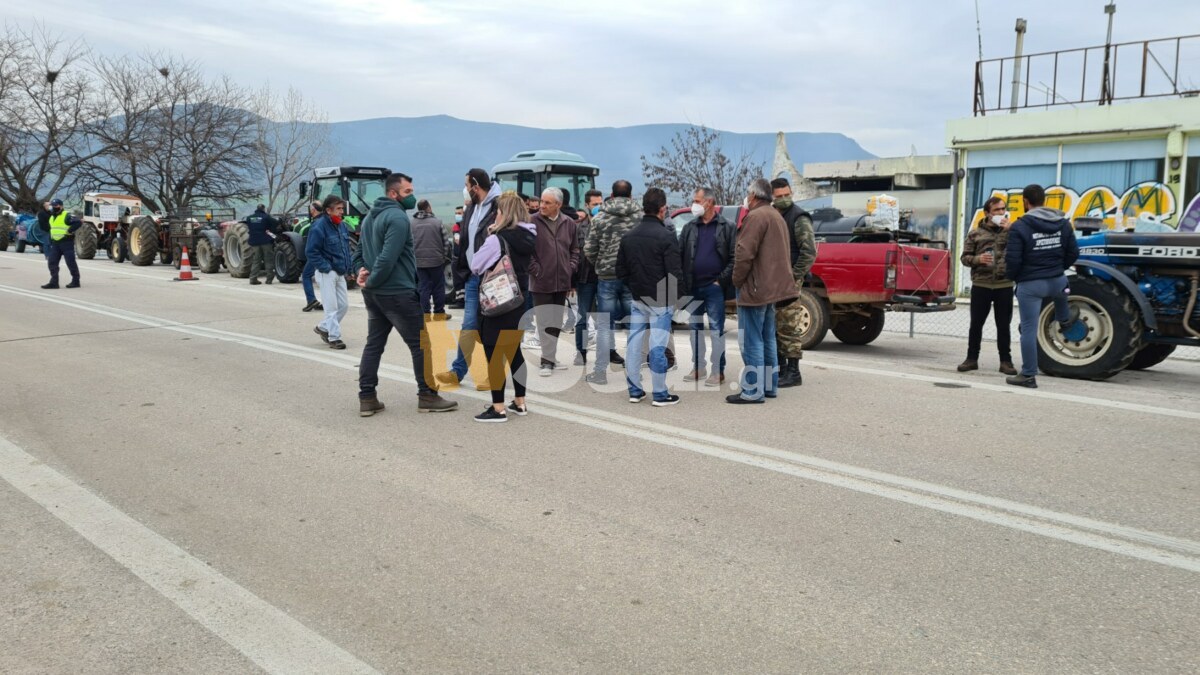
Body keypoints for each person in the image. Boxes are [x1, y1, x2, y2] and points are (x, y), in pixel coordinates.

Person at [354, 173, 457, 415]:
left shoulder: (370, 217)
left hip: (375, 295)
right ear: (393, 194)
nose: (412, 196)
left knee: (374, 344)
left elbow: (359, 253)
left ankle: (367, 397)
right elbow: (387, 258)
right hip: (397, 292)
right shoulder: (398, 218)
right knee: (421, 344)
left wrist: (361, 273)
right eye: (407, 192)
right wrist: (372, 280)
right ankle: (427, 395)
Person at [729, 179, 800, 404]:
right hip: (771, 288)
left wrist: (737, 281)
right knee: (768, 338)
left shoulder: (756, 217)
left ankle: (752, 391)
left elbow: (744, 254)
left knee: (751, 341)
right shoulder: (776, 215)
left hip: (755, 288)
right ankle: (769, 386)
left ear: (753, 195)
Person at [468, 192, 537, 422]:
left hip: (498, 300)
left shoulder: (496, 240)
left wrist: (491, 235)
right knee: (514, 351)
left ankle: (498, 408)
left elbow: (476, 265)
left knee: (493, 353)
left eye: (497, 211)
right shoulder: (530, 236)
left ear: (504, 214)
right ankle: (520, 401)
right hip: (519, 299)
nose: (495, 215)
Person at [1004, 184, 1080, 389]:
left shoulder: (1020, 226)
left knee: (1028, 329)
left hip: (1031, 285)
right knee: (1063, 294)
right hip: (1058, 281)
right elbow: (1073, 253)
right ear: (1044, 200)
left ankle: (1028, 375)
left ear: (1025, 201)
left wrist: (1016, 278)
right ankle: (1064, 320)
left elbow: (1013, 260)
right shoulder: (1063, 223)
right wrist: (1058, 268)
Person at [616, 187, 682, 407]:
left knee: (634, 345)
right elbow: (674, 272)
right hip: (661, 300)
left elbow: (620, 271)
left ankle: (634, 390)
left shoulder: (629, 236)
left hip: (638, 297)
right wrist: (676, 298)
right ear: (663, 209)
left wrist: (635, 285)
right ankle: (660, 393)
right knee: (657, 347)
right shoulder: (667, 236)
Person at [438, 168, 501, 389]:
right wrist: (461, 270)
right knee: (469, 325)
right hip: (473, 277)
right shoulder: (472, 208)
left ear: (475, 186)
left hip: (492, 277)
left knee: (492, 327)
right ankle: (458, 371)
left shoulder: (498, 206)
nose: (465, 190)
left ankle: (493, 374)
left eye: (466, 185)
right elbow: (465, 242)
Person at [582, 180, 639, 385]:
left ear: (612, 196)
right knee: (634, 326)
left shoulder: (600, 218)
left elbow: (589, 249)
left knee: (605, 326)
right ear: (631, 195)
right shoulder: (640, 217)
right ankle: (634, 372)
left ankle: (600, 373)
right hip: (632, 278)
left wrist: (601, 263)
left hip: (606, 277)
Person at [678, 187, 736, 387]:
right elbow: (680, 255)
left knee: (716, 329)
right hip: (693, 287)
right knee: (695, 329)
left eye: (697, 200)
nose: (694, 204)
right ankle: (698, 367)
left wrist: (721, 280)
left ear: (709, 202)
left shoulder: (727, 226)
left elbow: (734, 257)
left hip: (714, 288)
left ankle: (718, 371)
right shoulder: (689, 227)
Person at [959, 197, 1017, 375]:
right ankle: (971, 359)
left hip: (1004, 284)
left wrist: (1012, 229)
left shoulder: (1011, 232)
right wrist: (978, 259)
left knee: (1004, 325)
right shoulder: (975, 234)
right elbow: (964, 258)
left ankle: (1006, 361)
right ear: (987, 213)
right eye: (997, 210)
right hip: (981, 284)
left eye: (1003, 209)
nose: (1001, 213)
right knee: (976, 324)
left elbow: (1022, 248)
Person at [769, 178, 817, 388]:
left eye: (787, 194)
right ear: (772, 196)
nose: (784, 199)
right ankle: (780, 368)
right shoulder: (773, 214)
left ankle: (793, 372)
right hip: (773, 280)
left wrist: (794, 276)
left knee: (789, 325)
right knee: (775, 325)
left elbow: (809, 252)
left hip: (789, 282)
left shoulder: (799, 217)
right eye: (779, 196)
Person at [529, 187, 580, 376]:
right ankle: (546, 361)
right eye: (541, 201)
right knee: (544, 320)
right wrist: (536, 270)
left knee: (556, 321)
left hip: (562, 280)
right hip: (540, 281)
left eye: (547, 202)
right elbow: (526, 251)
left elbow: (575, 250)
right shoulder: (531, 221)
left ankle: (550, 357)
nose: (542, 205)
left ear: (558, 204)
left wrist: (570, 267)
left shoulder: (569, 223)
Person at [305, 196, 352, 350]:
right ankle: (334, 338)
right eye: (338, 209)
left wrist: (349, 269)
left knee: (343, 306)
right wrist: (326, 268)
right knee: (331, 307)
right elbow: (311, 252)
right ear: (328, 210)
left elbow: (346, 250)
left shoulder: (342, 226)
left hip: (340, 271)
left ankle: (323, 327)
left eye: (342, 208)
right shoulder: (318, 227)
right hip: (327, 273)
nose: (341, 212)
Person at [573, 189, 604, 366]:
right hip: (585, 277)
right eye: (595, 204)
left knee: (604, 318)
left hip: (604, 277)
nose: (598, 207)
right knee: (583, 317)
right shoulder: (579, 227)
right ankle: (581, 352)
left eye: (600, 203)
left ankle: (606, 352)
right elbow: (574, 253)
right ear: (587, 205)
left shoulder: (607, 224)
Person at [412, 199, 450, 320]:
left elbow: (409, 244)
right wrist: (443, 256)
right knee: (438, 288)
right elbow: (446, 243)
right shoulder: (437, 222)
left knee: (423, 288)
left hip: (419, 262)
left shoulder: (411, 224)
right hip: (436, 261)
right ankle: (439, 313)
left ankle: (425, 314)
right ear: (428, 207)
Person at [40, 199, 82, 289]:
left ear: (61, 206)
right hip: (55, 243)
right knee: (52, 262)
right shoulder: (52, 217)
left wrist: (70, 230)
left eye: (56, 205)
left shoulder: (67, 215)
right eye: (52, 205)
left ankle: (76, 281)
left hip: (66, 242)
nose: (54, 207)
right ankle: (54, 282)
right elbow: (53, 229)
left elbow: (78, 222)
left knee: (70, 262)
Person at [245, 204, 281, 285]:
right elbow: (276, 223)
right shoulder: (266, 217)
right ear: (263, 209)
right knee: (268, 259)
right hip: (265, 241)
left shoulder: (249, 218)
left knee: (256, 260)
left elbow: (249, 227)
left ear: (257, 209)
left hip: (254, 242)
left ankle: (253, 279)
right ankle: (269, 279)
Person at [300, 201, 324, 312]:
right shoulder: (327, 220)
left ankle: (311, 300)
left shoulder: (316, 224)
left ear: (313, 210)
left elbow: (313, 244)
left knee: (306, 275)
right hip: (326, 254)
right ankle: (328, 301)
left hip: (317, 255)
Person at [448, 206, 467, 309]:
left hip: (463, 257)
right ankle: (459, 299)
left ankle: (461, 301)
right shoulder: (456, 227)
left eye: (459, 213)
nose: (457, 215)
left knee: (462, 281)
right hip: (457, 256)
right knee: (457, 281)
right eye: (456, 213)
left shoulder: (466, 226)